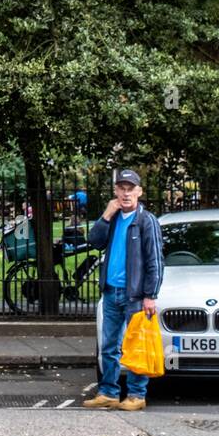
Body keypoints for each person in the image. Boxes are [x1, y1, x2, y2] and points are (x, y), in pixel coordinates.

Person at [81, 170, 164, 412]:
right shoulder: (114, 217)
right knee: (109, 346)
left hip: (135, 295)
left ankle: (137, 395)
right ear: (116, 192)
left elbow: (155, 261)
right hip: (111, 291)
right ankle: (108, 392)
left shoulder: (146, 220)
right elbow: (95, 241)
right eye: (122, 189)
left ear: (139, 192)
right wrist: (106, 214)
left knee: (136, 345)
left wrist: (151, 295)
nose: (126, 193)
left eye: (131, 189)